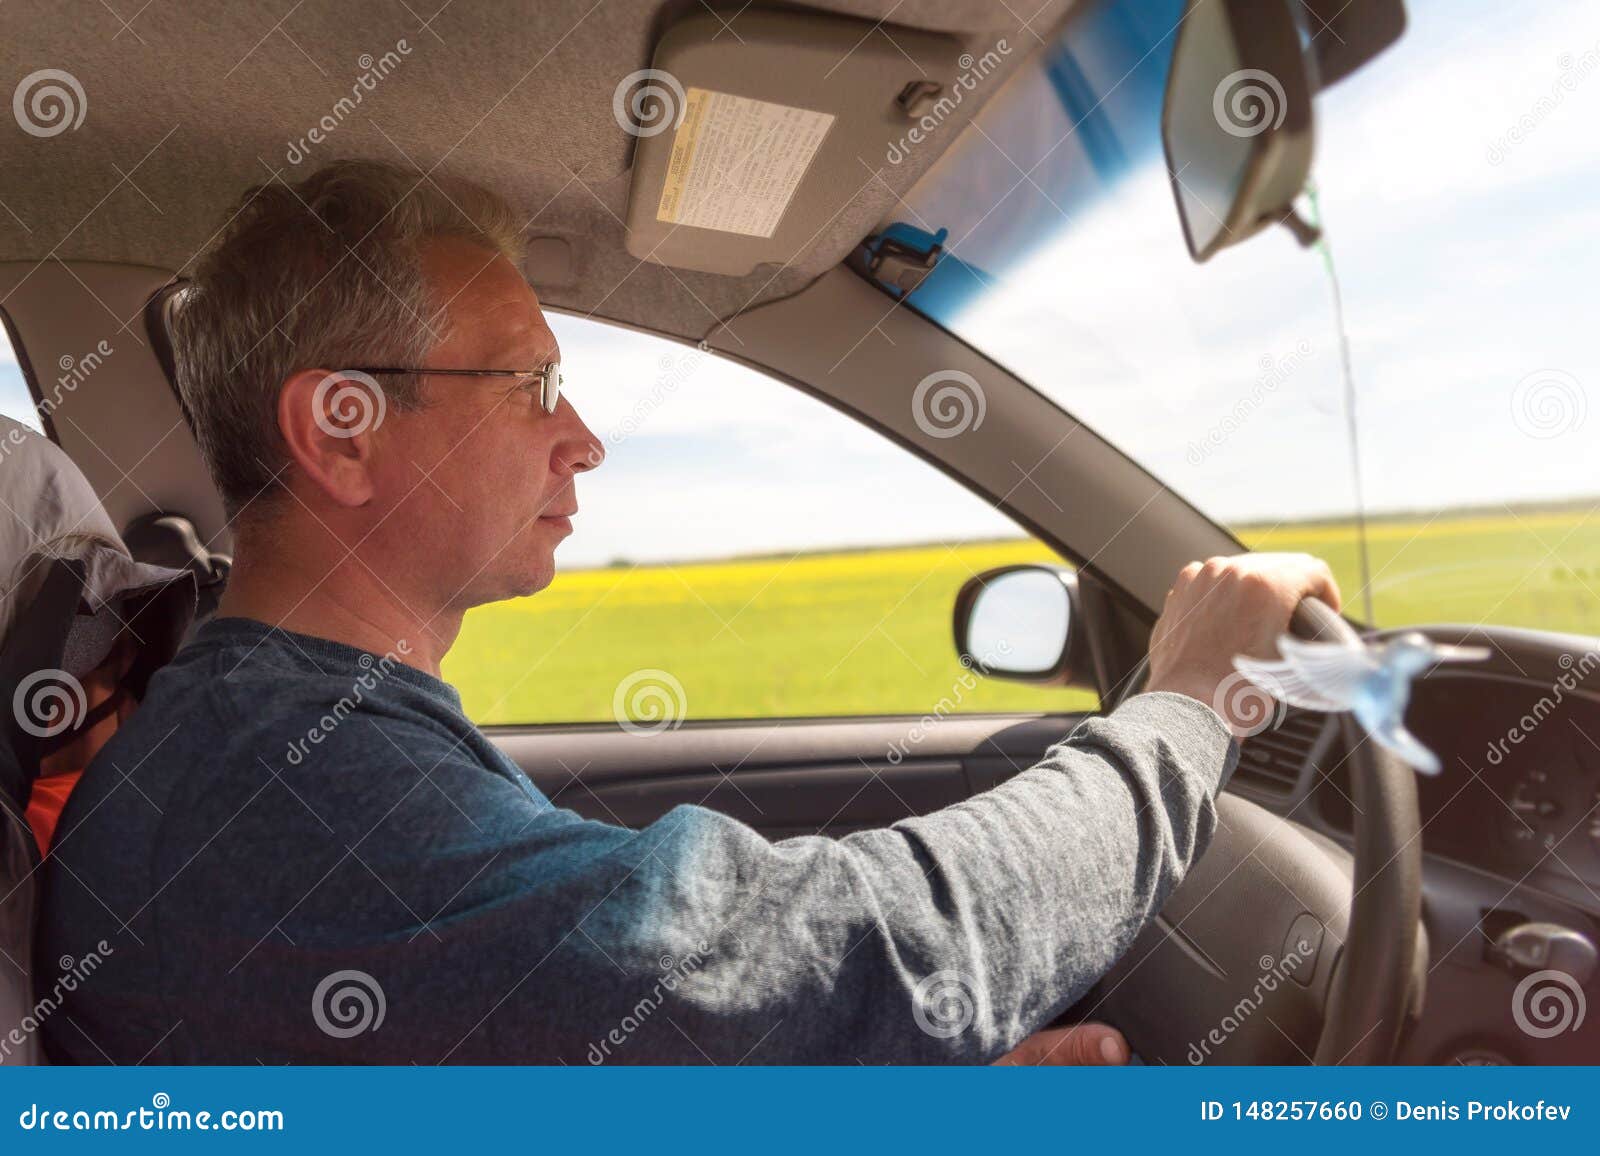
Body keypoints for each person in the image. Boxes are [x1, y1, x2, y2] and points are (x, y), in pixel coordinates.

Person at [38, 161, 1340, 1064]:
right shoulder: (300, 795)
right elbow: (884, 950)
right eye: (533, 383)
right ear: (342, 428)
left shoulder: (275, 738)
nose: (584, 439)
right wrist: (1185, 703)